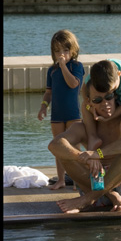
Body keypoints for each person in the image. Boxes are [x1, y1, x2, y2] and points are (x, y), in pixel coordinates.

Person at [48, 70, 121, 214]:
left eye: (108, 97)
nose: (105, 104)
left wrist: (98, 153)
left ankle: (87, 200)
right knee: (65, 153)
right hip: (97, 187)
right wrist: (84, 157)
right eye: (98, 100)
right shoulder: (83, 128)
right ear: (89, 104)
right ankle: (111, 195)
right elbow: (54, 145)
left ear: (116, 97)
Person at [37, 30, 85, 190]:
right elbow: (48, 92)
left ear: (73, 50)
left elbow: (73, 84)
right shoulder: (52, 71)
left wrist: (64, 65)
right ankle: (61, 179)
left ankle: (78, 180)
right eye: (57, 51)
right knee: (58, 148)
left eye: (65, 50)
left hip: (73, 114)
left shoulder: (76, 66)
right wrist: (44, 105)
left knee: (75, 148)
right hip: (57, 115)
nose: (61, 54)